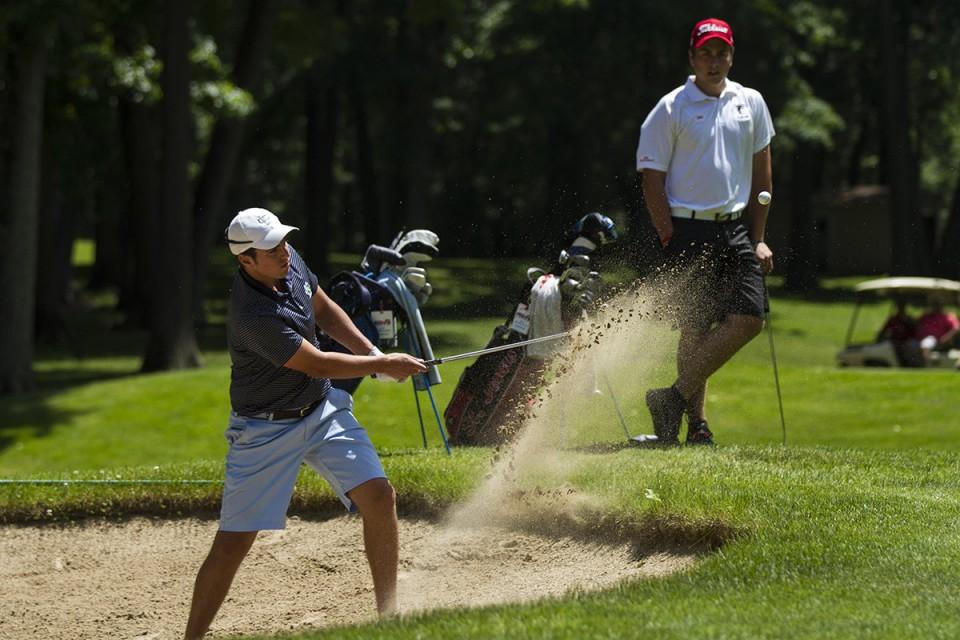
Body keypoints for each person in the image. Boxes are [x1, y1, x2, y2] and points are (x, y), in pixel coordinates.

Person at [184, 208, 427, 639]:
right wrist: (381, 364)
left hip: (320, 409)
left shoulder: (288, 258)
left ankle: (390, 618)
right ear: (245, 261)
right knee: (234, 544)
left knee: (379, 496)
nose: (282, 252)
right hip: (264, 431)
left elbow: (326, 310)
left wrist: (372, 353)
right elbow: (314, 363)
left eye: (282, 242)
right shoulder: (252, 316)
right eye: (270, 248)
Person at [634, 17, 775, 446]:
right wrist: (665, 232)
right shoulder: (672, 107)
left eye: (722, 52)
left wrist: (759, 237)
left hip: (734, 229)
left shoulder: (750, 102)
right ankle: (696, 425)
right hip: (687, 229)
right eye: (706, 53)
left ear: (731, 56)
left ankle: (671, 397)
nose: (714, 61)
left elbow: (762, 176)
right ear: (692, 57)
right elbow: (651, 177)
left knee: (750, 318)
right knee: (695, 327)